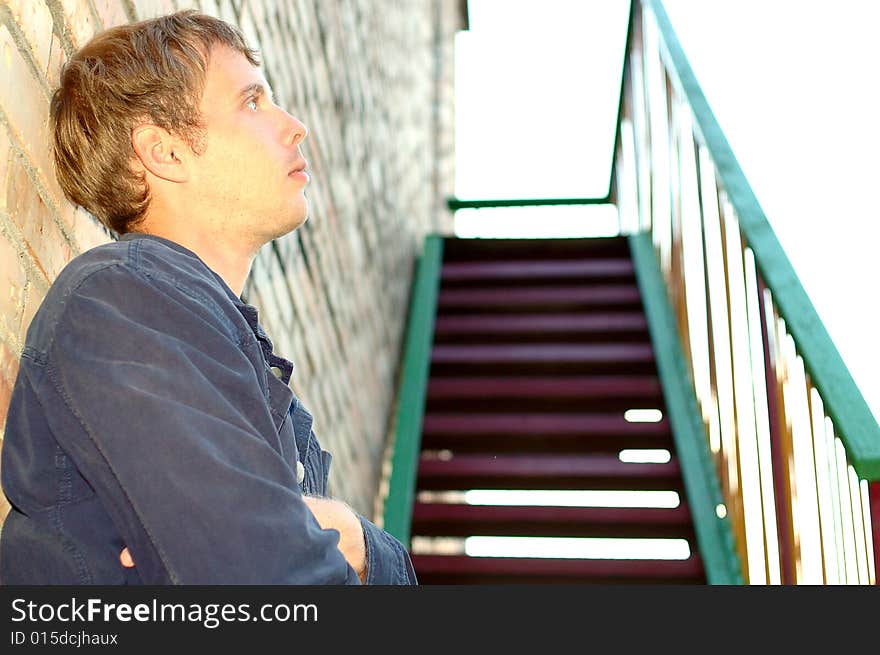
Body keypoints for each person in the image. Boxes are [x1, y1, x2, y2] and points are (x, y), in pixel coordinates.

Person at [0, 10, 417, 585]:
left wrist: (360, 543)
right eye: (252, 101)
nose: (296, 126)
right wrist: (353, 551)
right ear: (165, 153)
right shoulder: (124, 300)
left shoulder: (236, 361)